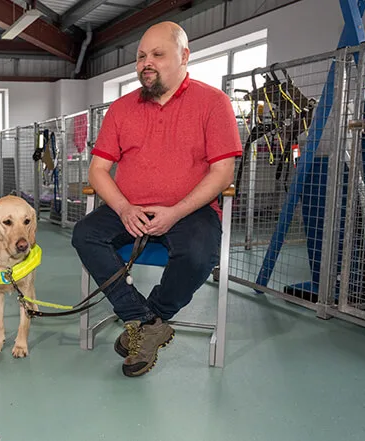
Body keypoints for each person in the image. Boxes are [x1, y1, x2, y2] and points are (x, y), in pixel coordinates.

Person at [71, 22, 242, 378]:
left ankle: (149, 320)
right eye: (141, 56)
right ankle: (143, 320)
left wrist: (177, 210)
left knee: (198, 254)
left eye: (157, 55)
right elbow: (98, 170)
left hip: (189, 210)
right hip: (130, 207)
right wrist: (122, 207)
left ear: (184, 56)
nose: (146, 63)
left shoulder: (213, 103)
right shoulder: (120, 109)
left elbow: (223, 173)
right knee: (85, 234)